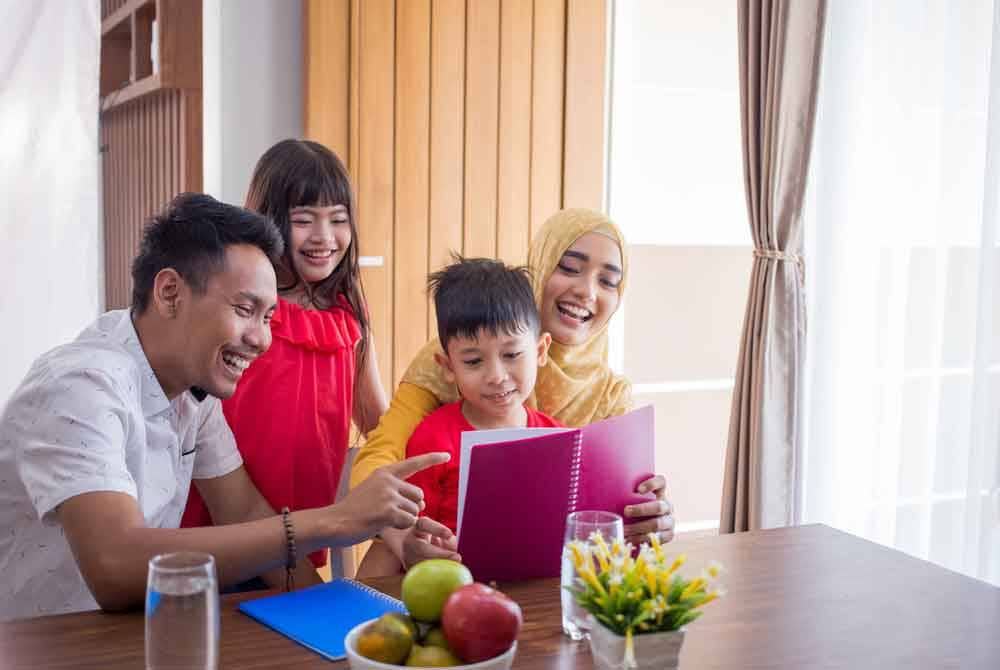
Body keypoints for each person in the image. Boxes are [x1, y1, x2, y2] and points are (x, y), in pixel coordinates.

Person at [0, 193, 444, 621]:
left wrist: (342, 619)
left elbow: (244, 510)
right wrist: (334, 521)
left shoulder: (193, 391)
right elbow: (115, 566)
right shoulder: (81, 384)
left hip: (130, 635)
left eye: (268, 317)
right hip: (43, 645)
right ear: (170, 293)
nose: (262, 339)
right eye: (245, 309)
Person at [350, 209, 675, 570]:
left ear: (539, 350)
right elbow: (382, 462)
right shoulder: (448, 357)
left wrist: (645, 514)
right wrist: (400, 538)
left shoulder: (610, 394)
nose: (586, 290)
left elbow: (608, 520)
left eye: (608, 281)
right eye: (570, 267)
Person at [181, 139, 389, 571]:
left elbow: (376, 420)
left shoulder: (348, 312)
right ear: (269, 220)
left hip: (302, 525)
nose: (324, 237)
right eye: (303, 220)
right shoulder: (245, 306)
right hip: (222, 519)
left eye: (338, 219)